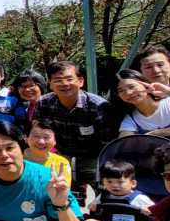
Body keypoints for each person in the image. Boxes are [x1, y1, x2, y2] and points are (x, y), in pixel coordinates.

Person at [32, 61, 117, 202]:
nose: (64, 84)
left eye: (69, 79)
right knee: (53, 192)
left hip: (93, 156)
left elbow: (107, 142)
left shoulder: (97, 106)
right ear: (50, 84)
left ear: (81, 81)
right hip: (60, 153)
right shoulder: (44, 103)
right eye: (58, 81)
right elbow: (39, 132)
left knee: (103, 195)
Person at [84, 159, 153, 221]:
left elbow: (155, 210)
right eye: (109, 182)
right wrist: (93, 205)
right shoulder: (104, 195)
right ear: (103, 182)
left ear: (133, 183)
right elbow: (92, 206)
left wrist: (148, 210)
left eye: (120, 182)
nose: (115, 185)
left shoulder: (139, 198)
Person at [24, 121, 72, 186]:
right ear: (26, 138)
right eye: (36, 136)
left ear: (55, 141)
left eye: (46, 137)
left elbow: (65, 193)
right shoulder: (14, 159)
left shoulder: (62, 163)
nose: (41, 142)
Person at [12, 70, 47, 135]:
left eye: (31, 85)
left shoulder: (49, 105)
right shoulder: (23, 107)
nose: (27, 89)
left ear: (41, 86)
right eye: (23, 86)